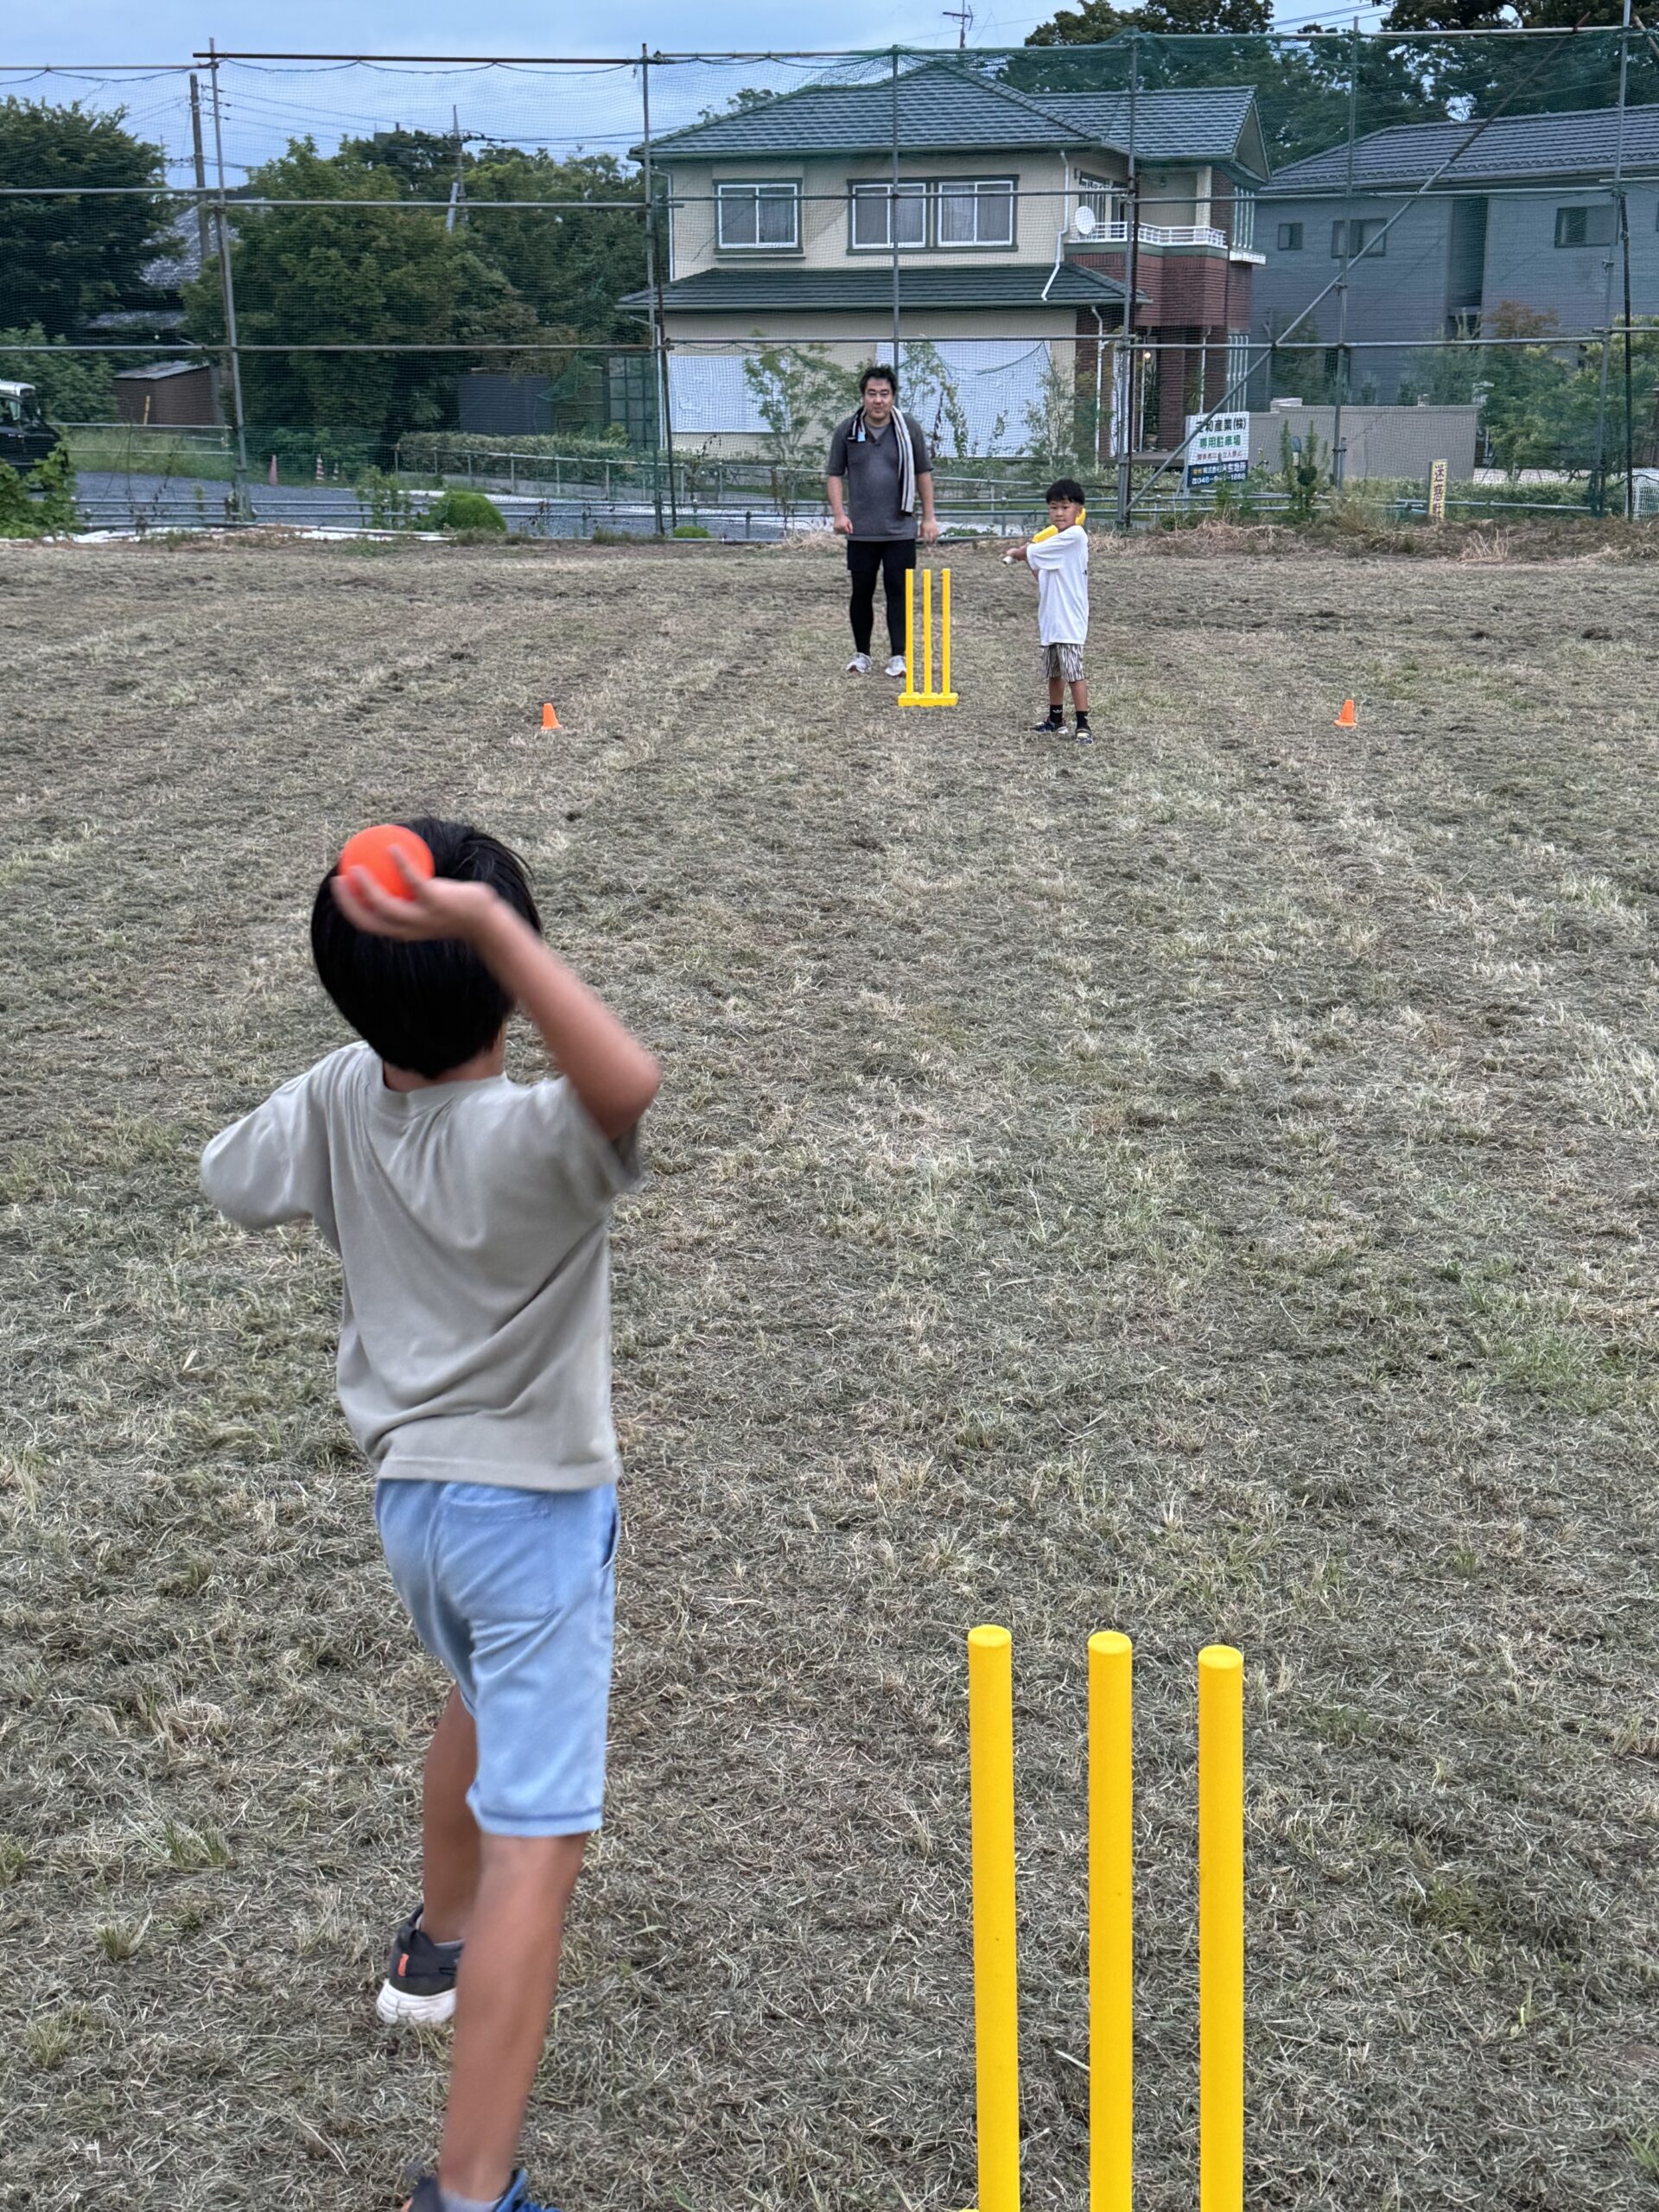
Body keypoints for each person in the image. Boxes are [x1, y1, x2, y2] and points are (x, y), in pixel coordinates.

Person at [200, 819, 660, 2212]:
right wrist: (497, 936)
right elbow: (627, 1079)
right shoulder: (540, 1142)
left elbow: (229, 1173)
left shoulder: (345, 1094)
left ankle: (434, 1947)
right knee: (544, 1840)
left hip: (419, 1520)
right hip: (529, 1522)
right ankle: (470, 2194)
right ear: (508, 984)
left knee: (472, 1697)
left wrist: (360, 1043)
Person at [826, 363, 940, 678]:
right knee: (861, 591)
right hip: (861, 530)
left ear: (893, 397)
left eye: (884, 394)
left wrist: (929, 518)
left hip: (900, 529)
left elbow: (923, 473)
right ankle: (861, 653)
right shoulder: (847, 431)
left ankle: (898, 656)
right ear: (863, 397)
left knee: (898, 591)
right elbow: (834, 474)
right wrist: (839, 514)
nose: (878, 400)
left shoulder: (909, 429)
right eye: (872, 394)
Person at [1006, 479, 1091, 742]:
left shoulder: (1075, 536)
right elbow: (1041, 573)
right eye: (1053, 508)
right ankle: (1056, 719)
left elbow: (1032, 551)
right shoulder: (1055, 542)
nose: (1059, 513)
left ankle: (1083, 725)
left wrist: (1020, 551)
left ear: (1078, 510)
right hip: (1051, 619)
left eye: (1065, 507)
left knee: (1073, 673)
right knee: (1054, 673)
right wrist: (1027, 556)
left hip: (1070, 621)